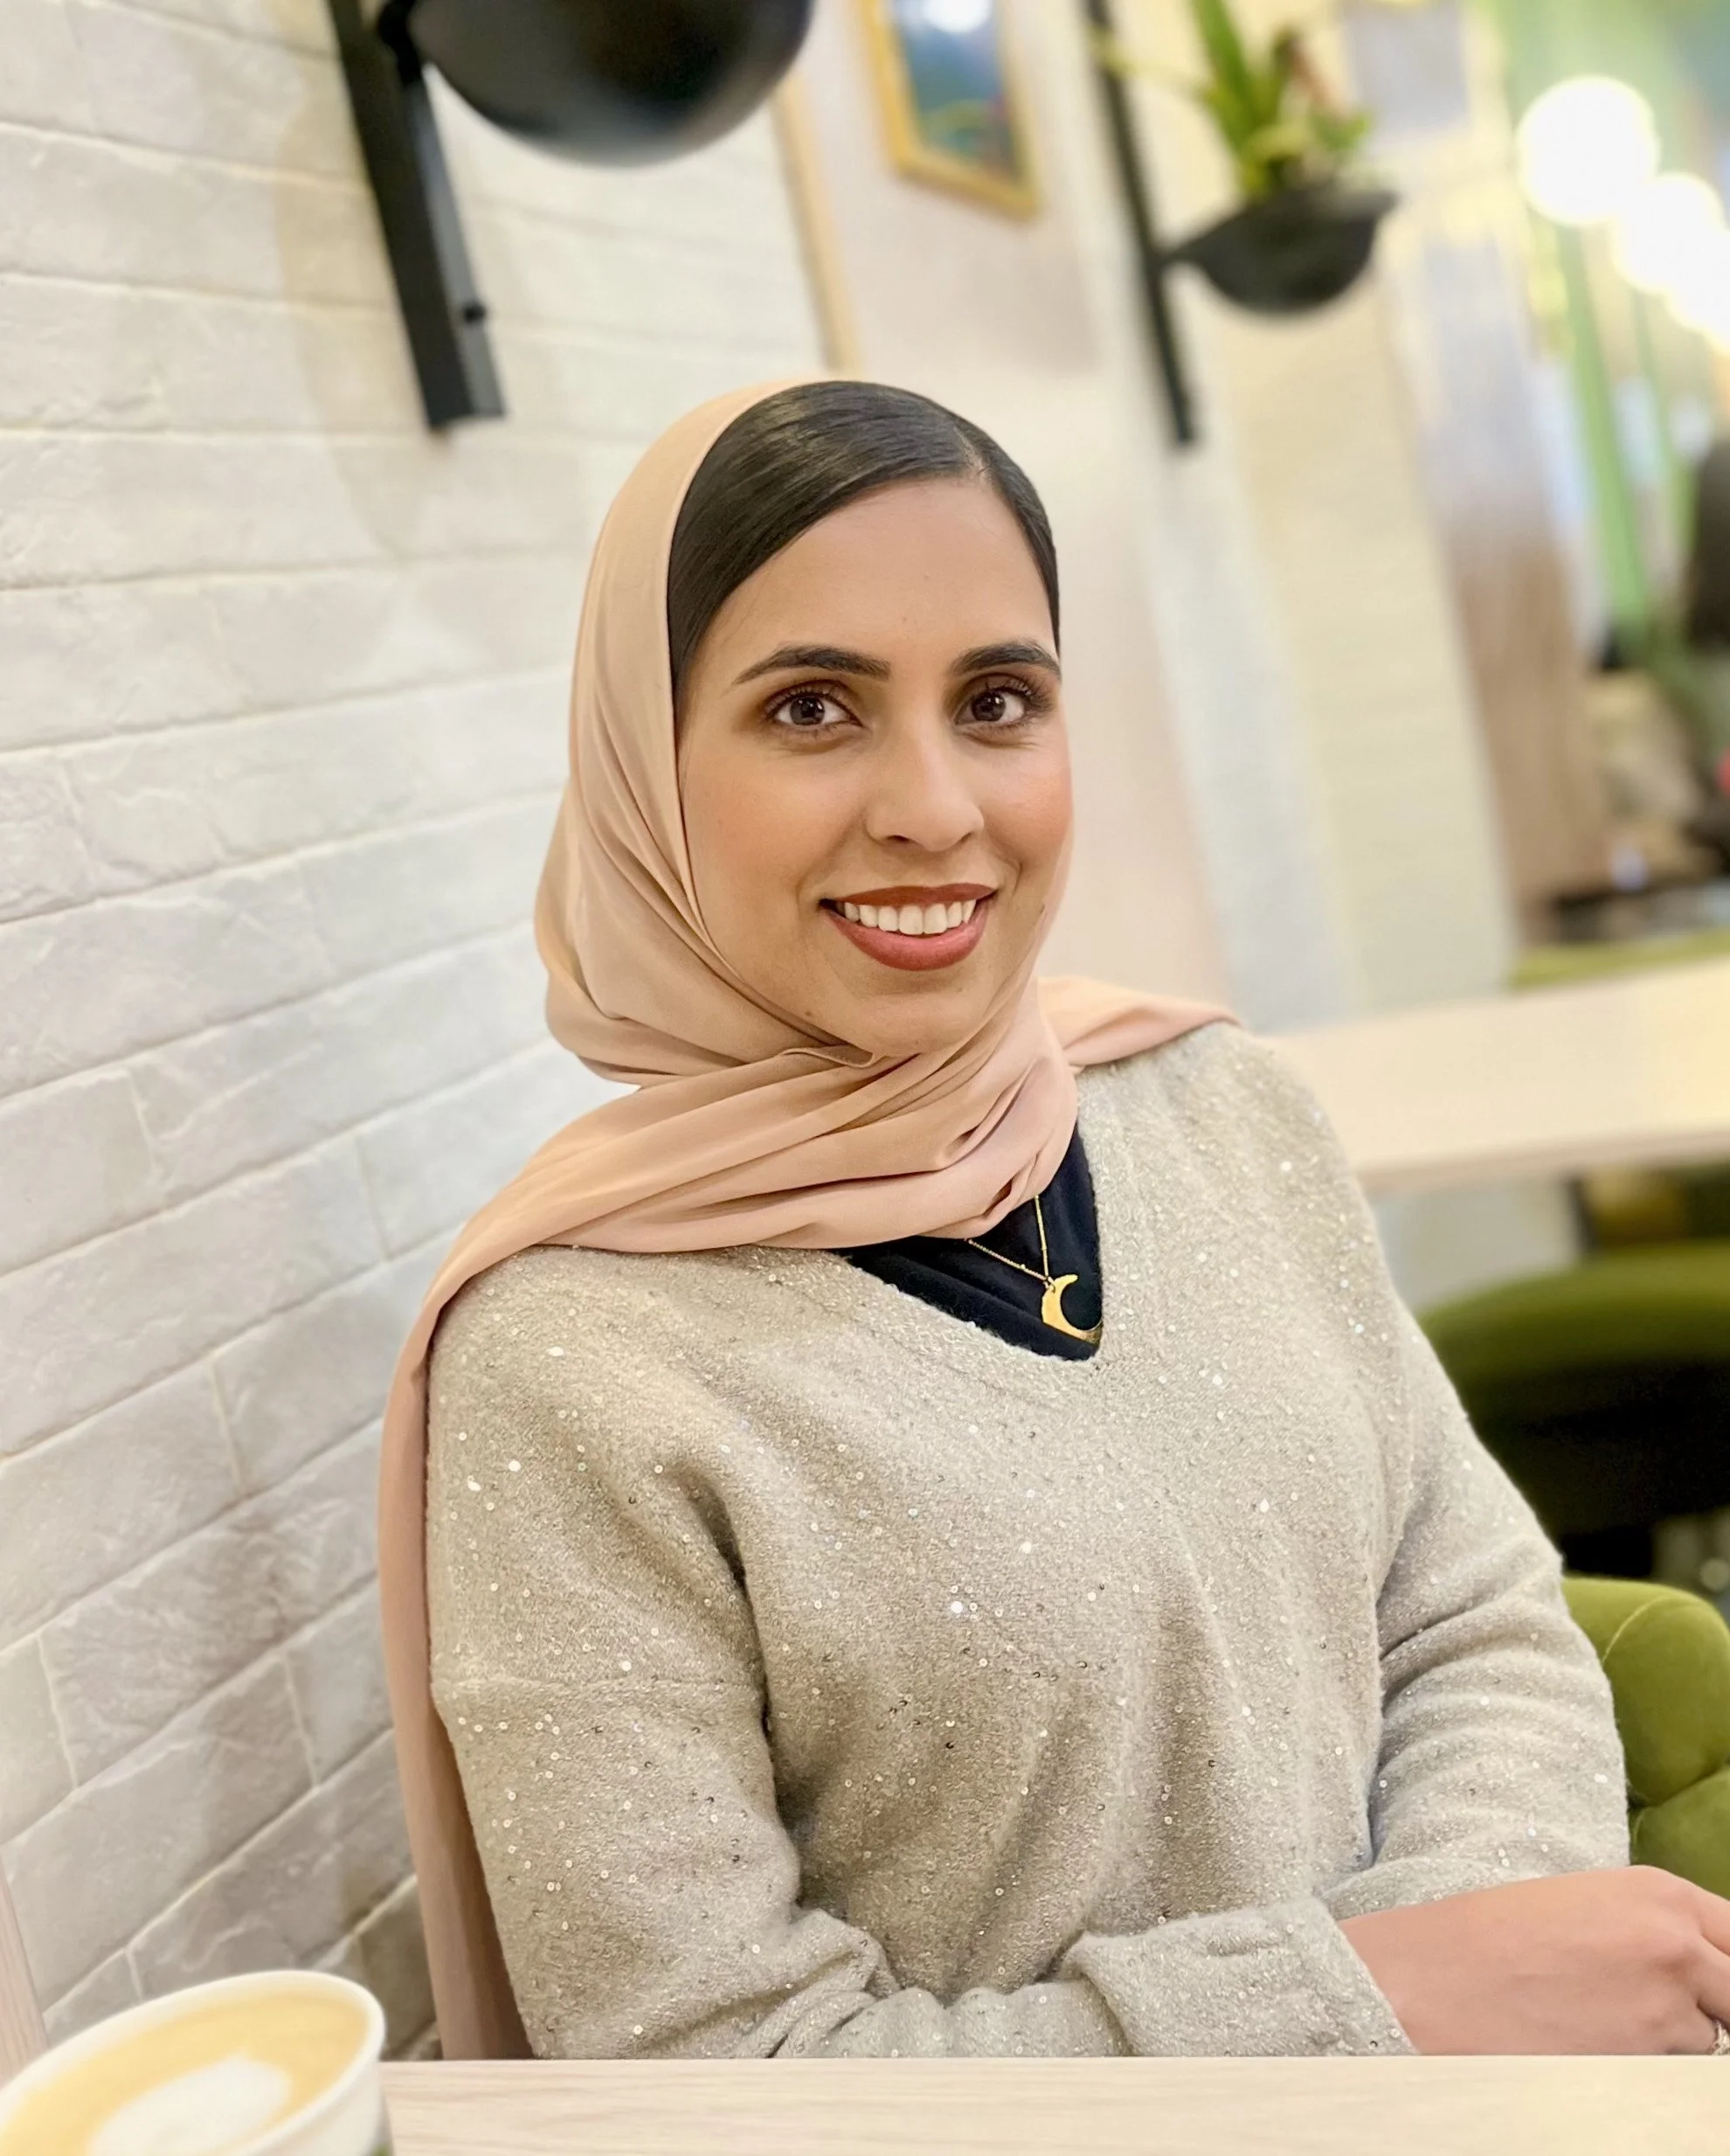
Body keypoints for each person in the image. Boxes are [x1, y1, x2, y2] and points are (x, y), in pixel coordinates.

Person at [379, 379, 1730, 2062]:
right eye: (813, 709)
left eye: (999, 700)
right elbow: (711, 2074)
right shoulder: (575, 1369)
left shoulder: (1218, 1107)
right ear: (641, 766)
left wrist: (1475, 1973)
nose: (936, 806)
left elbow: (1468, 1607)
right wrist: (1370, 2017)